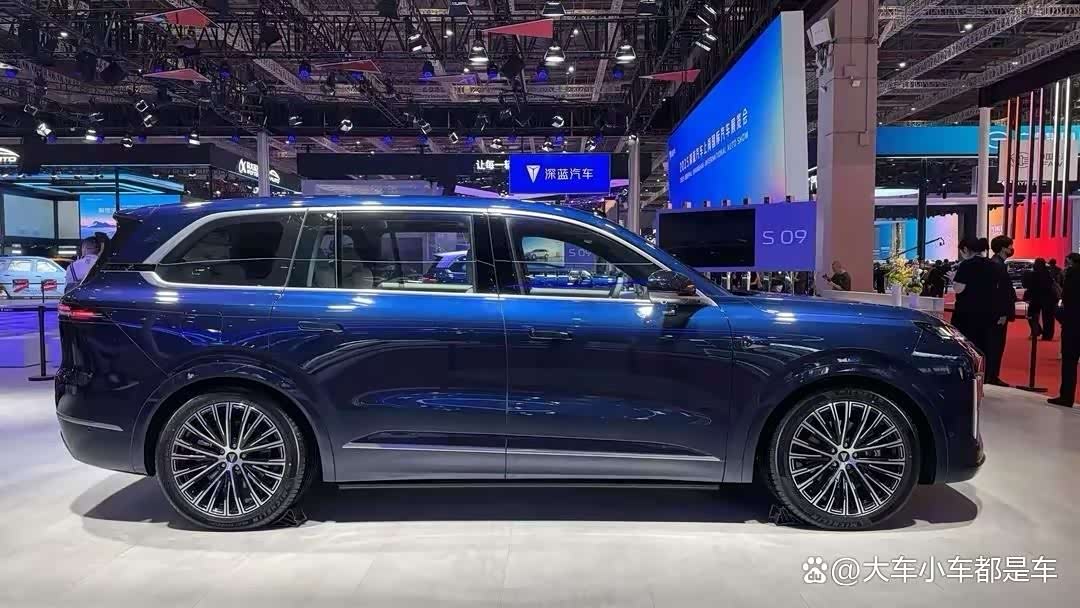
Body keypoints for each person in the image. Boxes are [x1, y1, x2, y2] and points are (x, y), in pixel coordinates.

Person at [950, 238, 995, 366]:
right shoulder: (991, 264)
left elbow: (959, 289)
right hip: (987, 311)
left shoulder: (966, 265)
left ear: (965, 249)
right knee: (983, 346)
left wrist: (953, 279)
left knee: (965, 345)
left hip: (966, 312)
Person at [985, 235, 1018, 386]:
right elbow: (1000, 293)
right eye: (1010, 245)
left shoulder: (996, 263)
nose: (1012, 248)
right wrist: (1003, 313)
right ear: (1003, 248)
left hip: (995, 312)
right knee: (996, 345)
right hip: (998, 314)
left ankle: (991, 375)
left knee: (995, 345)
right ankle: (992, 375)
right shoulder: (997, 265)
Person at [1049, 253, 1080, 407]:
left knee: (1069, 363)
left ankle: (1066, 396)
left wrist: (1059, 314)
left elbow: (1067, 300)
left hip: (1073, 325)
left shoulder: (1071, 276)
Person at [1021, 258, 1058, 340]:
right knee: (1048, 318)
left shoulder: (1032, 274)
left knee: (1031, 315)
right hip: (1048, 298)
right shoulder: (1048, 274)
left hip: (1035, 298)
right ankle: (1047, 335)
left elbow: (1027, 285)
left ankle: (1037, 330)